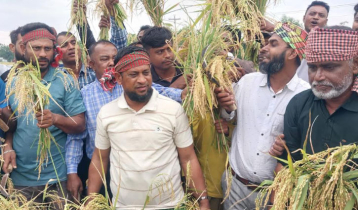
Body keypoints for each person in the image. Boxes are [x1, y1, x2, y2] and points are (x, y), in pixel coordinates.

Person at [87, 45, 210, 209]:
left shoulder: (173, 110)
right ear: (118, 77)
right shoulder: (107, 113)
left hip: (170, 205)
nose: (142, 80)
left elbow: (188, 158)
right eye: (133, 74)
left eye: (146, 72)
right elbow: (99, 159)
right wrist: (90, 200)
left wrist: (203, 200)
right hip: (123, 206)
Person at [65, 41, 186, 200]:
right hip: (100, 169)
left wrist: (185, 94)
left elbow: (163, 92)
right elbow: (76, 137)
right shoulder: (84, 95)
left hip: (136, 169)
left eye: (114, 58)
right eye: (104, 59)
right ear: (91, 64)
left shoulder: (131, 84)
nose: (111, 62)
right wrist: (72, 172)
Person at [216, 22, 310, 210]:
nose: (264, 48)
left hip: (276, 194)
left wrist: (290, 147)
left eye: (273, 44)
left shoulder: (306, 95)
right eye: (265, 44)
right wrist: (226, 107)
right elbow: (229, 116)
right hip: (236, 187)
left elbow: (309, 145)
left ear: (292, 53)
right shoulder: (247, 82)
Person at [1, 22, 86, 209]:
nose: (42, 54)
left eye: (48, 49)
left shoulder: (64, 81)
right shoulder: (13, 82)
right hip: (21, 177)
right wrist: (7, 145)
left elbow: (80, 124)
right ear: (23, 48)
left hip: (58, 177)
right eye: (36, 48)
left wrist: (55, 119)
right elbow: (13, 124)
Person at [276, 25, 358, 175]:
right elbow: (287, 165)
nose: (318, 77)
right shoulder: (298, 104)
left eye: (329, 67)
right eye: (312, 68)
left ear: (355, 65)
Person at [297, 1, 330, 82]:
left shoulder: (328, 43)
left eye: (321, 15)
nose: (316, 17)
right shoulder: (287, 38)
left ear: (326, 21)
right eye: (312, 14)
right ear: (304, 18)